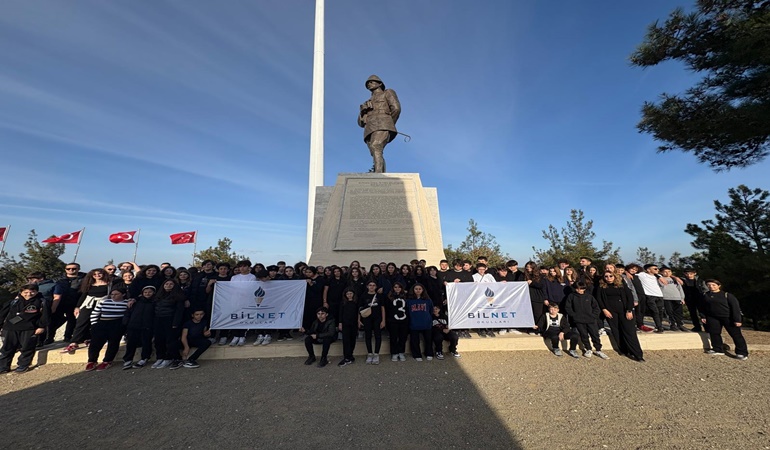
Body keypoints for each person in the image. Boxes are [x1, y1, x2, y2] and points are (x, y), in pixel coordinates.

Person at [0, 283, 49, 373]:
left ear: (37, 292)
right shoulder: (13, 302)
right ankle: (3, 367)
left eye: (32, 292)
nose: (29, 294)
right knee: (7, 348)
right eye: (26, 292)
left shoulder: (41, 302)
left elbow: (45, 316)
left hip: (29, 329)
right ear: (21, 292)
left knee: (27, 348)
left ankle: (23, 365)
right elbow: (3, 314)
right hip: (10, 328)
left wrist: (41, 327)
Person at [597, 272, 645, 362]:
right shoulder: (602, 287)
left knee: (629, 331)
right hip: (611, 312)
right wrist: (604, 309)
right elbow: (599, 298)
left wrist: (629, 310)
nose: (608, 278)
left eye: (611, 276)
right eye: (606, 276)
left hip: (624, 311)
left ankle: (637, 354)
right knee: (616, 331)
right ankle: (624, 350)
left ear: (614, 276)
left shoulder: (621, 285)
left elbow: (629, 297)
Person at [358, 74, 401, 173]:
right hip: (370, 129)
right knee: (375, 151)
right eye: (368, 83)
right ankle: (380, 172)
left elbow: (396, 108)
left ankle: (377, 174)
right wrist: (363, 111)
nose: (369, 84)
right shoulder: (367, 102)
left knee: (376, 146)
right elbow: (360, 123)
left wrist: (389, 122)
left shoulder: (388, 92)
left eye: (372, 82)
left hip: (383, 124)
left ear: (380, 83)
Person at [62, 268, 110, 354]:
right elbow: (83, 295)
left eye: (99, 274)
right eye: (95, 274)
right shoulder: (89, 284)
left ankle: (91, 339)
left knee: (97, 323)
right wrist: (77, 307)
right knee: (81, 322)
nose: (97, 275)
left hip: (102, 304)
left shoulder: (109, 285)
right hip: (88, 304)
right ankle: (74, 342)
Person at [700, 279, 748, 360]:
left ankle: (742, 353)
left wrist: (737, 320)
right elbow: (702, 307)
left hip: (728, 317)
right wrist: (703, 316)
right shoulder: (705, 295)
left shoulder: (727, 295)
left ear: (719, 286)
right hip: (712, 317)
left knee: (736, 335)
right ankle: (717, 349)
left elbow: (735, 308)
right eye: (709, 285)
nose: (711, 287)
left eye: (713, 285)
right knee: (714, 333)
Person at [85, 288, 130, 371]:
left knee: (113, 343)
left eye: (116, 294)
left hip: (117, 324)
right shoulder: (104, 302)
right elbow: (95, 313)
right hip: (102, 323)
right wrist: (94, 325)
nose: (113, 296)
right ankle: (92, 360)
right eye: (112, 294)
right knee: (95, 343)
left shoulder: (126, 303)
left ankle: (107, 361)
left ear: (123, 295)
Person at [565, 282, 609, 359]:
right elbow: (568, 307)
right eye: (578, 289)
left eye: (582, 289)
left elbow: (596, 307)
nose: (580, 290)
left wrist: (593, 316)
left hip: (591, 320)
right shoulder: (571, 296)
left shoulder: (589, 296)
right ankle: (588, 349)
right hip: (579, 320)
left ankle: (598, 349)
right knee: (584, 335)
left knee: (595, 335)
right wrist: (574, 315)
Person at [152, 279, 186, 369]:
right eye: (166, 283)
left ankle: (172, 358)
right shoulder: (158, 296)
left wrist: (176, 323)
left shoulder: (178, 296)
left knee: (171, 341)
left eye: (171, 284)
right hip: (158, 319)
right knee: (158, 340)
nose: (168, 285)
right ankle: (160, 357)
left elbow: (179, 311)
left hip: (170, 320)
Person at [122, 285, 156, 369]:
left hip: (147, 326)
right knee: (131, 343)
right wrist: (126, 323)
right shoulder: (135, 302)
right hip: (133, 325)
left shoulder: (155, 302)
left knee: (146, 343)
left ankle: (144, 358)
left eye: (150, 292)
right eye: (145, 292)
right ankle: (128, 359)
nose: (148, 294)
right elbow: (128, 312)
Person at [49, 262, 85, 344]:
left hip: (74, 302)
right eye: (68, 269)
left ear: (78, 269)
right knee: (54, 321)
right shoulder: (59, 279)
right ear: (65, 270)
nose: (71, 270)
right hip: (60, 302)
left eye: (74, 268)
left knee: (72, 320)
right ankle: (50, 337)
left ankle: (68, 337)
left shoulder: (83, 279)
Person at [359, 281, 385, 364]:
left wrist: (383, 320)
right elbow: (360, 309)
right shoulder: (363, 296)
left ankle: (376, 353)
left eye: (374, 285)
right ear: (367, 286)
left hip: (377, 318)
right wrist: (359, 320)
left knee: (378, 335)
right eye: (370, 285)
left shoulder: (380, 296)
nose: (372, 287)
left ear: (376, 286)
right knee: (368, 336)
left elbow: (382, 308)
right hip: (367, 318)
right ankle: (370, 353)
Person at [407, 283, 434, 361]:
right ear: (413, 290)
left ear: (423, 290)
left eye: (420, 289)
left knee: (428, 340)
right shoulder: (409, 301)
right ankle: (417, 354)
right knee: (415, 340)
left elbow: (431, 310)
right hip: (414, 323)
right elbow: (407, 312)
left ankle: (429, 353)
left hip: (426, 323)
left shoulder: (428, 300)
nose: (418, 290)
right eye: (416, 289)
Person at [385, 282, 409, 362]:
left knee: (403, 337)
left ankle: (401, 352)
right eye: (395, 287)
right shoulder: (389, 297)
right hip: (392, 320)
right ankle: (394, 352)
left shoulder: (406, 296)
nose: (397, 289)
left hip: (404, 320)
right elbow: (387, 309)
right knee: (394, 337)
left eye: (399, 287)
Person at [659, 266, 687, 331]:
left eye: (669, 271)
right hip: (666, 298)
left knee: (678, 312)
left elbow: (680, 289)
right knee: (669, 312)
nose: (667, 273)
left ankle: (680, 324)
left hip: (677, 298)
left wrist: (682, 298)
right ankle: (673, 324)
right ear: (661, 272)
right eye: (665, 272)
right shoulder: (660, 279)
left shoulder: (674, 279)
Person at [337, 289, 360, 366]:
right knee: (346, 340)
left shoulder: (356, 302)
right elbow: (340, 313)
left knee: (352, 340)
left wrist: (358, 321)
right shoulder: (343, 303)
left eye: (351, 293)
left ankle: (350, 356)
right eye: (348, 294)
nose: (349, 295)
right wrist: (340, 323)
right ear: (345, 295)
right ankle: (346, 357)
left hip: (354, 324)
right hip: (345, 324)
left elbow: (358, 313)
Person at [681, 268, 707, 332]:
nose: (689, 275)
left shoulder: (700, 281)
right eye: (687, 274)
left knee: (703, 314)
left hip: (699, 298)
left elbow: (705, 290)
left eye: (691, 274)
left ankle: (707, 327)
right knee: (693, 314)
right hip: (689, 299)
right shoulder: (682, 281)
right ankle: (697, 327)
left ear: (695, 274)